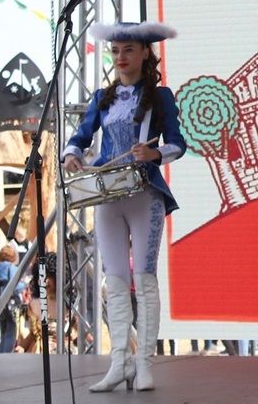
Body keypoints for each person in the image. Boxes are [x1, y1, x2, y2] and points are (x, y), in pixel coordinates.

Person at [62, 21, 186, 391]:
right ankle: (120, 362)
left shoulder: (160, 96)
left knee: (144, 280)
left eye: (128, 49)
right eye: (115, 51)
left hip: (144, 193)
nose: (120, 57)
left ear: (145, 53)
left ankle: (144, 363)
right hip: (107, 195)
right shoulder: (103, 97)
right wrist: (71, 154)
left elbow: (178, 143)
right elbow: (80, 136)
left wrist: (154, 153)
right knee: (114, 280)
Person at [0, 245, 27, 354]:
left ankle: (1, 354)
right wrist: (25, 284)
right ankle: (6, 355)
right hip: (10, 304)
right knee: (11, 331)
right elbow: (16, 286)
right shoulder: (11, 268)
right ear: (13, 256)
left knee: (3, 331)